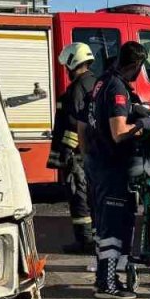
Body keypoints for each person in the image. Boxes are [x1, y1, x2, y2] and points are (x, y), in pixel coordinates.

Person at [82, 41, 150, 299]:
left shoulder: (102, 82)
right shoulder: (117, 89)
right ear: (136, 65)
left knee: (108, 225)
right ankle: (107, 283)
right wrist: (143, 125)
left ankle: (107, 278)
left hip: (98, 162)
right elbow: (118, 133)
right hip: (112, 166)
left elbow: (84, 124)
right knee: (112, 227)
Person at [47, 42, 99, 254]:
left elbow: (74, 124)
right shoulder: (95, 82)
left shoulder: (77, 88)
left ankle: (84, 241)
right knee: (92, 197)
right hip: (92, 152)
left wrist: (66, 152)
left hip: (77, 154)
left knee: (78, 196)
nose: (66, 71)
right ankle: (94, 238)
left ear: (72, 62)